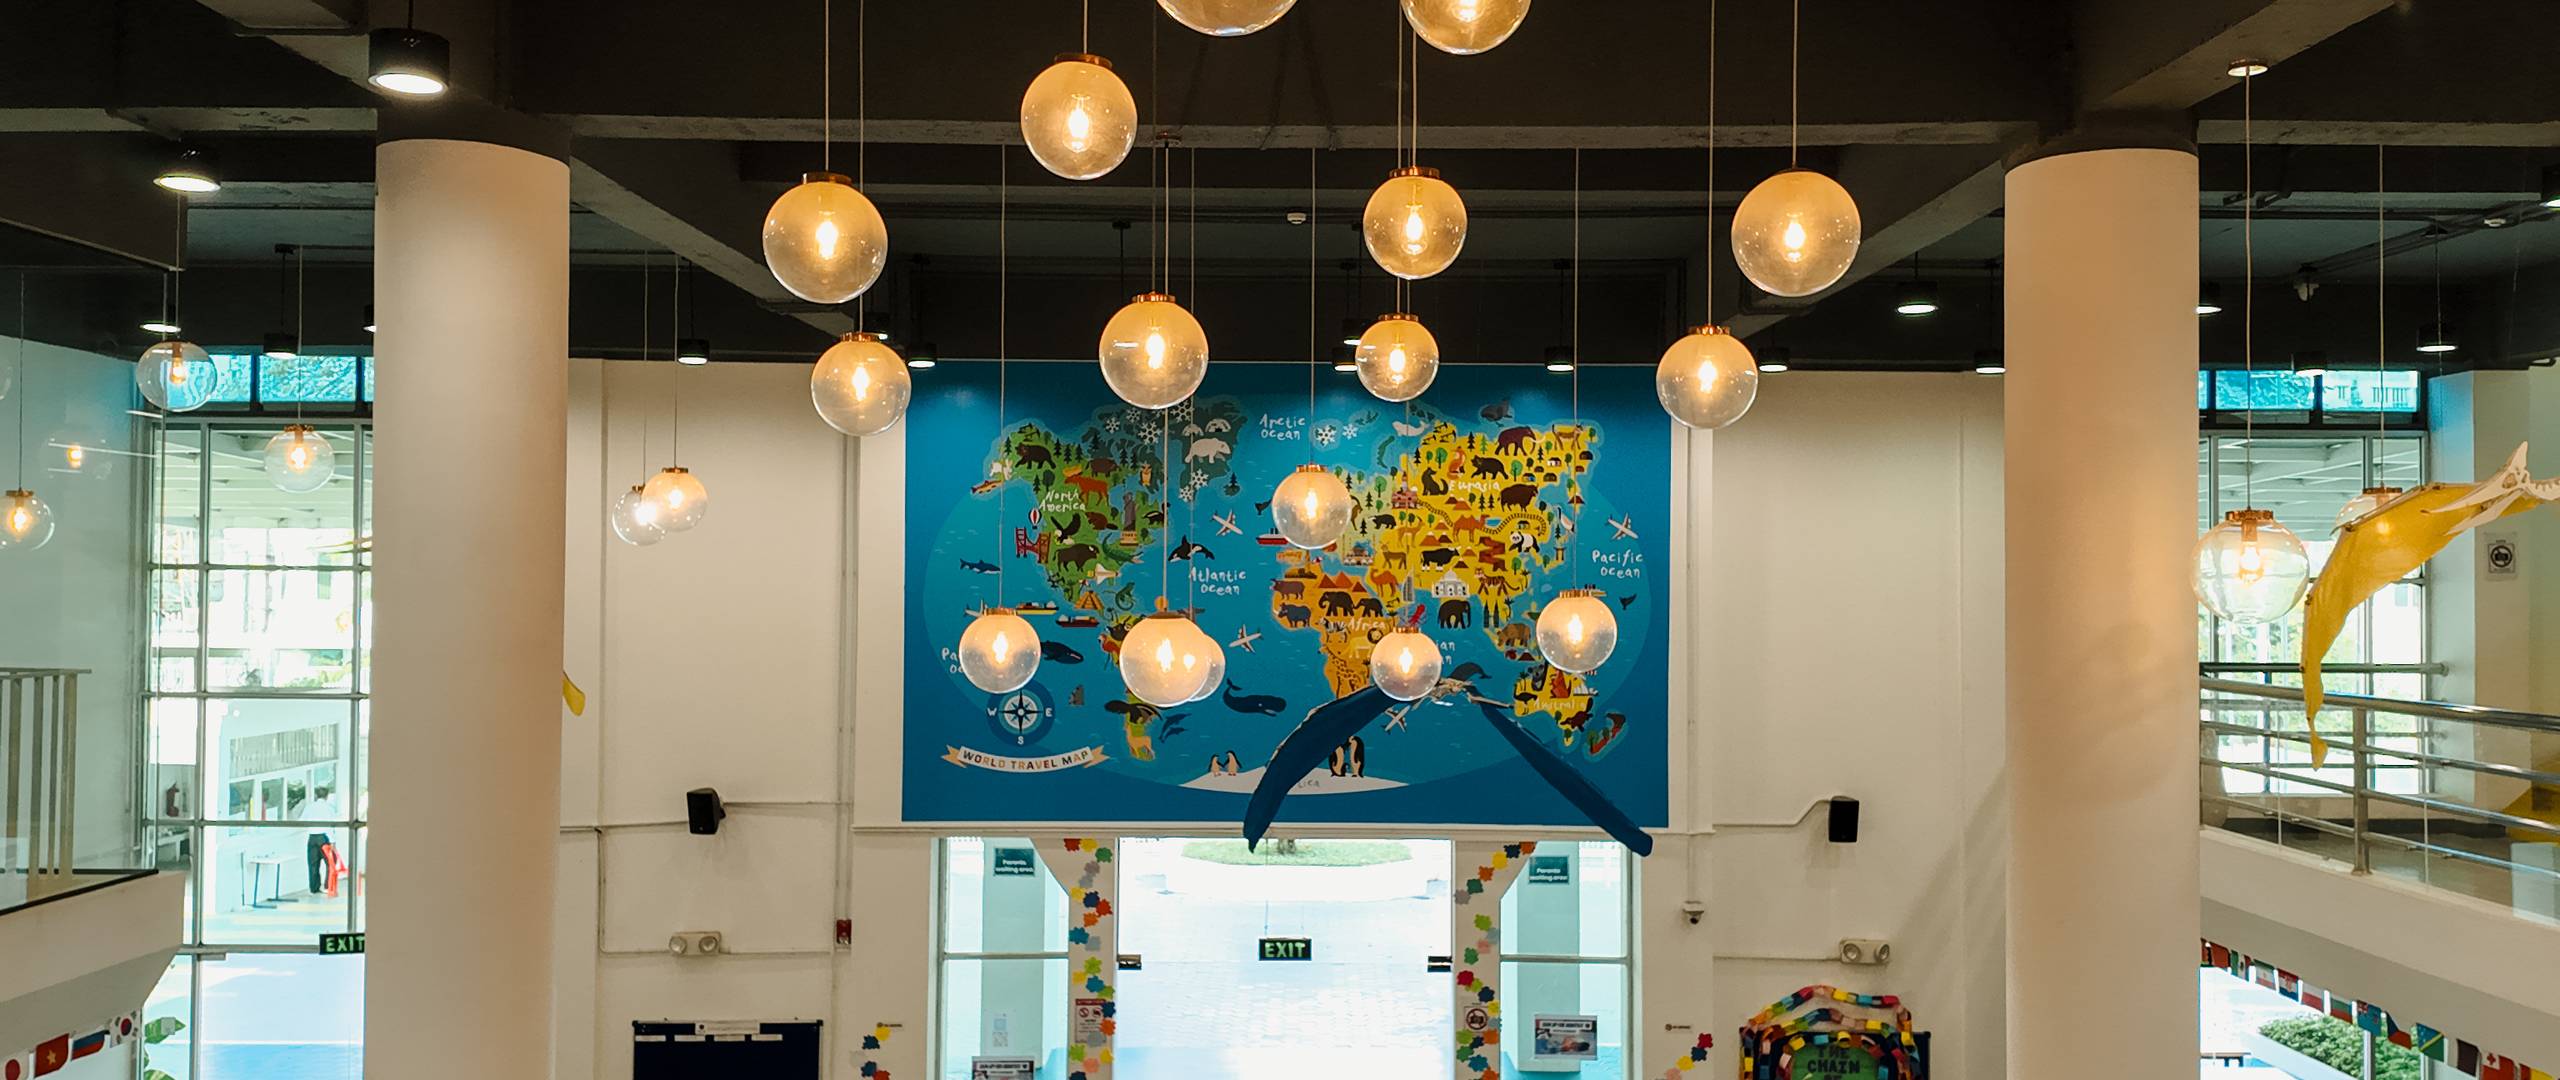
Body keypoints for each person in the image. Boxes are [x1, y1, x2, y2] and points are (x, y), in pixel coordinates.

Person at [299, 784, 341, 896]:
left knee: (313, 864)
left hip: (312, 837)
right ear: (327, 796)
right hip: (324, 837)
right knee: (331, 862)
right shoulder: (329, 808)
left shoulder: (309, 806)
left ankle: (314, 888)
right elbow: (331, 825)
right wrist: (333, 842)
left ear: (316, 795)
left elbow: (302, 820)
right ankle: (328, 887)